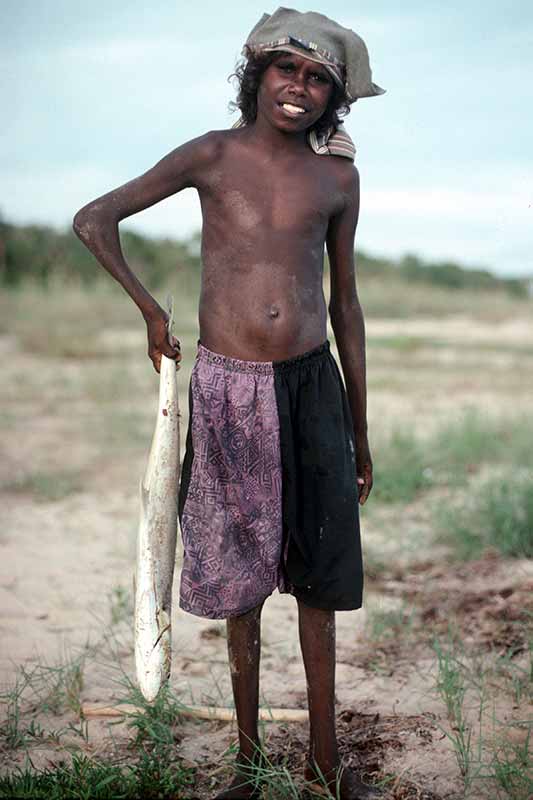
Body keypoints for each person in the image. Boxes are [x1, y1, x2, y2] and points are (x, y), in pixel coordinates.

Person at [73, 7, 385, 798]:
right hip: (227, 389)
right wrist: (150, 312)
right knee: (238, 580)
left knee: (319, 580)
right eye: (287, 70)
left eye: (318, 80)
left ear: (332, 100)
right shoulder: (211, 155)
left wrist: (358, 428)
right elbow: (94, 218)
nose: (300, 88)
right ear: (256, 75)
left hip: (313, 383)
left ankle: (322, 766)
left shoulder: (337, 177)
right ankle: (247, 767)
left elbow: (344, 303)